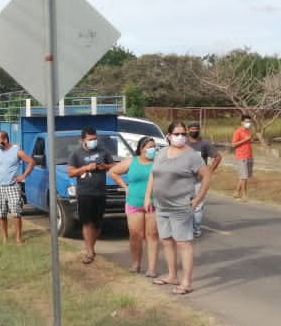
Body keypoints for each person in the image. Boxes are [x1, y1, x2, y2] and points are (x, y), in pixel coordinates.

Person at [145, 121, 212, 295]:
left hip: (181, 206)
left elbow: (206, 176)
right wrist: (148, 196)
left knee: (183, 243)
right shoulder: (161, 153)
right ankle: (172, 276)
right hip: (161, 205)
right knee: (166, 241)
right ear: (168, 136)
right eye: (176, 134)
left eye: (183, 133)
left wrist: (198, 199)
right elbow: (154, 174)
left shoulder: (192, 156)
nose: (180, 137)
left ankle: (186, 282)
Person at [108, 136, 159, 277]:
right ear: (141, 149)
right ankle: (135, 264)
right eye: (150, 147)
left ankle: (152, 268)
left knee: (152, 235)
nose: (153, 149)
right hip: (134, 203)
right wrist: (125, 187)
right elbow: (113, 172)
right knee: (136, 235)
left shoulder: (158, 163)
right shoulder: (132, 161)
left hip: (153, 203)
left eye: (154, 146)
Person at [67, 127, 116, 264]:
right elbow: (70, 172)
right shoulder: (76, 154)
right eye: (90, 139)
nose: (94, 141)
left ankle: (91, 247)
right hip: (85, 193)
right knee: (87, 222)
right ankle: (89, 252)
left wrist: (104, 167)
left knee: (98, 223)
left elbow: (113, 165)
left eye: (95, 139)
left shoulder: (103, 151)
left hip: (100, 192)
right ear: (83, 140)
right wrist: (86, 168)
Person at [0, 131, 34, 244]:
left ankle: (18, 238)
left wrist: (23, 176)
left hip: (12, 186)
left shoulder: (16, 151)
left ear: (5, 140)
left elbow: (31, 162)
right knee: (1, 214)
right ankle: (4, 238)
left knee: (16, 213)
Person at [187, 121, 224, 237]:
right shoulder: (184, 144)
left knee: (198, 205)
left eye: (196, 129)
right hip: (184, 180)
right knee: (184, 204)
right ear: (188, 130)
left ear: (199, 130)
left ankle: (196, 230)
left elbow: (218, 157)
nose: (194, 131)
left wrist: (209, 171)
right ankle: (185, 228)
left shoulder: (205, 144)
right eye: (191, 129)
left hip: (199, 181)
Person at [231, 114, 254, 201]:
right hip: (241, 156)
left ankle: (236, 192)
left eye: (249, 122)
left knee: (244, 176)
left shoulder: (248, 131)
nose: (248, 123)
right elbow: (233, 144)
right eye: (247, 122)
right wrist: (245, 140)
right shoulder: (238, 132)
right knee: (244, 177)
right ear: (242, 122)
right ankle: (244, 195)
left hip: (249, 155)